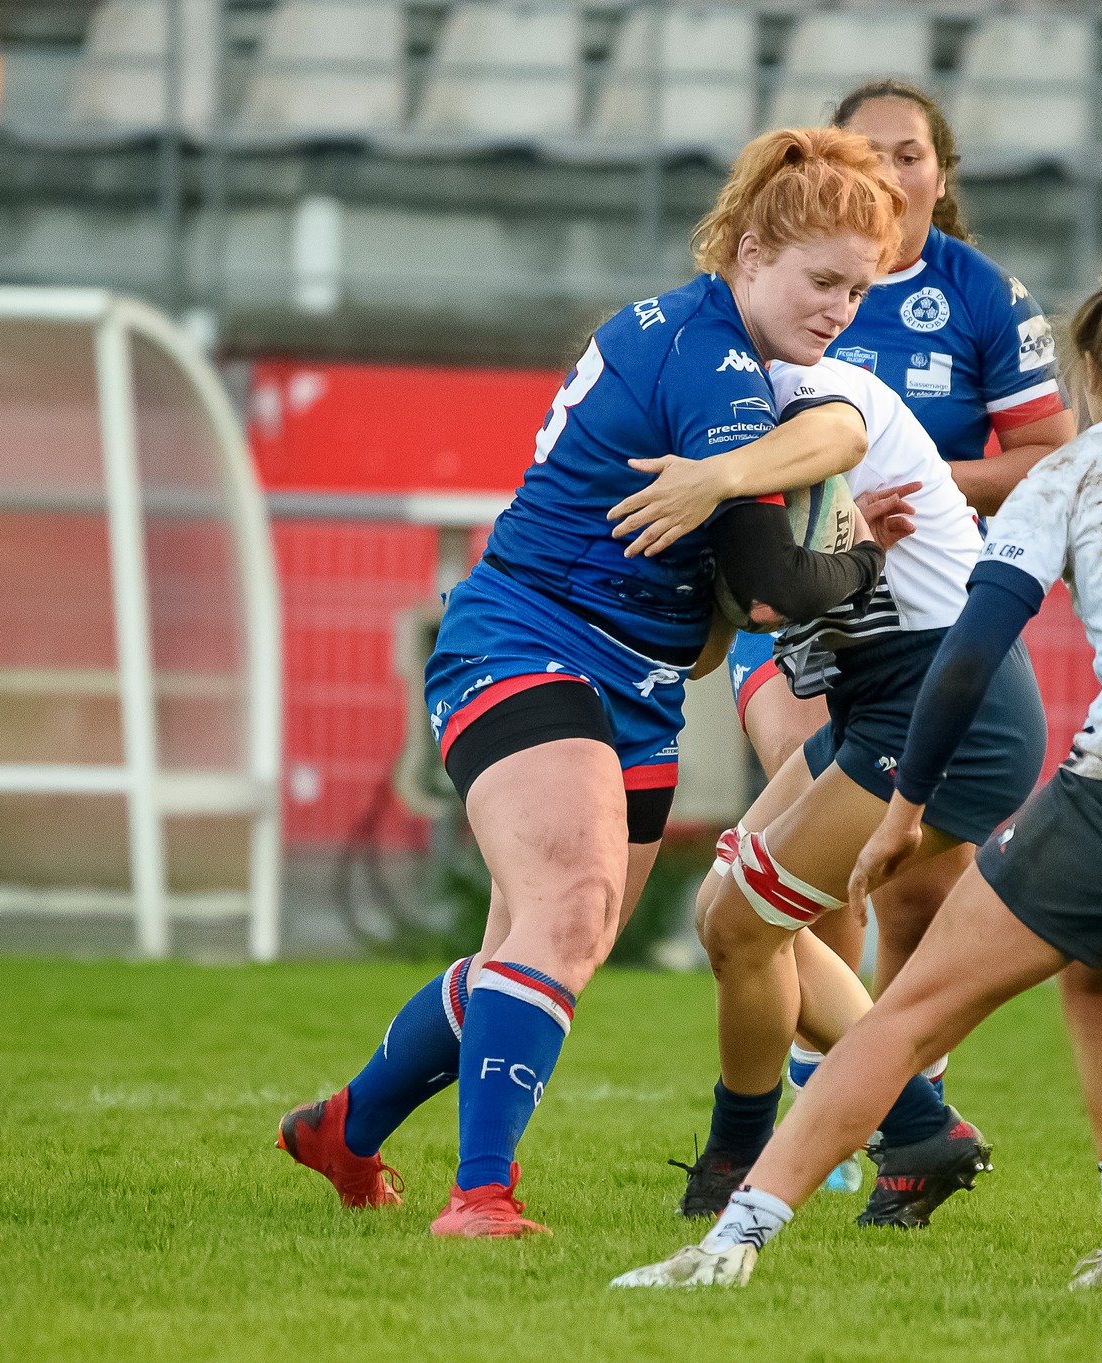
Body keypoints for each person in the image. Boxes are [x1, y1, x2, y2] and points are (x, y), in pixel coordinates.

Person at [610, 261, 1102, 1292]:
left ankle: (729, 1246)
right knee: (1099, 972)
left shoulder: (1077, 468)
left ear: (1088, 369)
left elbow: (971, 647)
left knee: (905, 1014)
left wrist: (905, 808)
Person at [273, 127, 908, 1240]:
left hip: (640, 685)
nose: (839, 310)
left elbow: (748, 564)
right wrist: (859, 563)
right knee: (567, 911)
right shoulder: (711, 360)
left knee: (544, 937)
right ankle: (480, 1198)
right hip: (528, 643)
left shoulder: (737, 355)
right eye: (822, 281)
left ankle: (345, 1126)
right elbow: (769, 588)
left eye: (857, 291)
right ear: (751, 251)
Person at [701, 80, 1071, 1101]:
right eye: (867, 151)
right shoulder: (759, 302)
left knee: (904, 891)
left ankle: (896, 1097)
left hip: (921, 610)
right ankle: (835, 1093)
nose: (889, 172)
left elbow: (1050, 455)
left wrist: (915, 483)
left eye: (909, 153)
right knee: (799, 854)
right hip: (803, 600)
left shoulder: (981, 296)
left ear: (940, 175)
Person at [675, 352, 1045, 1228]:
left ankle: (740, 1158)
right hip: (878, 703)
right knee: (721, 910)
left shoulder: (811, 396)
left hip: (947, 704)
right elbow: (716, 643)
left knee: (745, 923)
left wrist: (788, 542)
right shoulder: (722, 427)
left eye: (845, 289)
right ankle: (917, 1126)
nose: (839, 307)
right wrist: (791, 562)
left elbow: (836, 449)